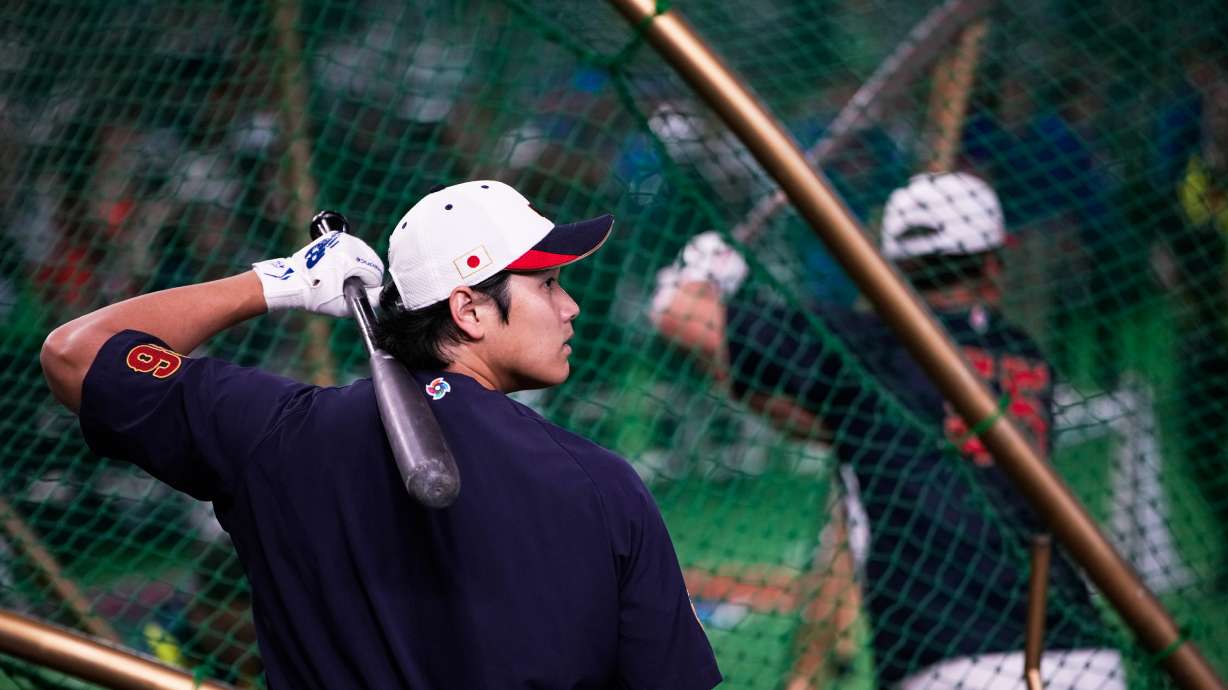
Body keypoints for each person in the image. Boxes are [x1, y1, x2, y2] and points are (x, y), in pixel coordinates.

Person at [41, 180, 721, 689]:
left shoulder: (281, 434)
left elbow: (76, 352)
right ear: (470, 309)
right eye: (546, 284)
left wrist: (278, 283)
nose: (571, 306)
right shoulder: (602, 484)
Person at [649, 172, 1121, 690]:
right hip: (1080, 657)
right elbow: (841, 428)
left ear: (889, 267)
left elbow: (681, 318)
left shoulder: (870, 349)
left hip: (950, 662)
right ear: (991, 264)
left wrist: (703, 272)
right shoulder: (1025, 356)